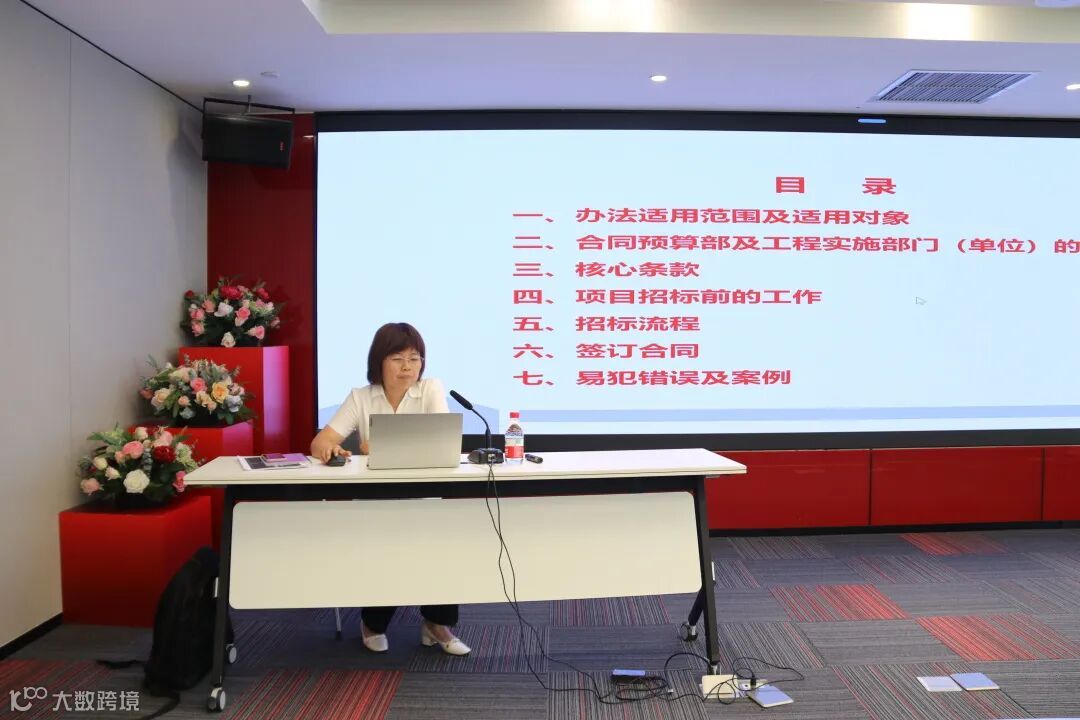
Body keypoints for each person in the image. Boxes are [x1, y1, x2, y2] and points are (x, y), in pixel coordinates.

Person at [311, 322, 470, 656]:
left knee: (441, 546)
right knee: (383, 550)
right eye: (398, 358)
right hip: (376, 495)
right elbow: (321, 441)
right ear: (379, 361)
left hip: (424, 491)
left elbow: (438, 439)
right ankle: (373, 624)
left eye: (415, 358)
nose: (407, 367)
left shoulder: (430, 389)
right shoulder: (361, 397)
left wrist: (377, 446)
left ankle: (436, 624)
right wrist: (331, 448)